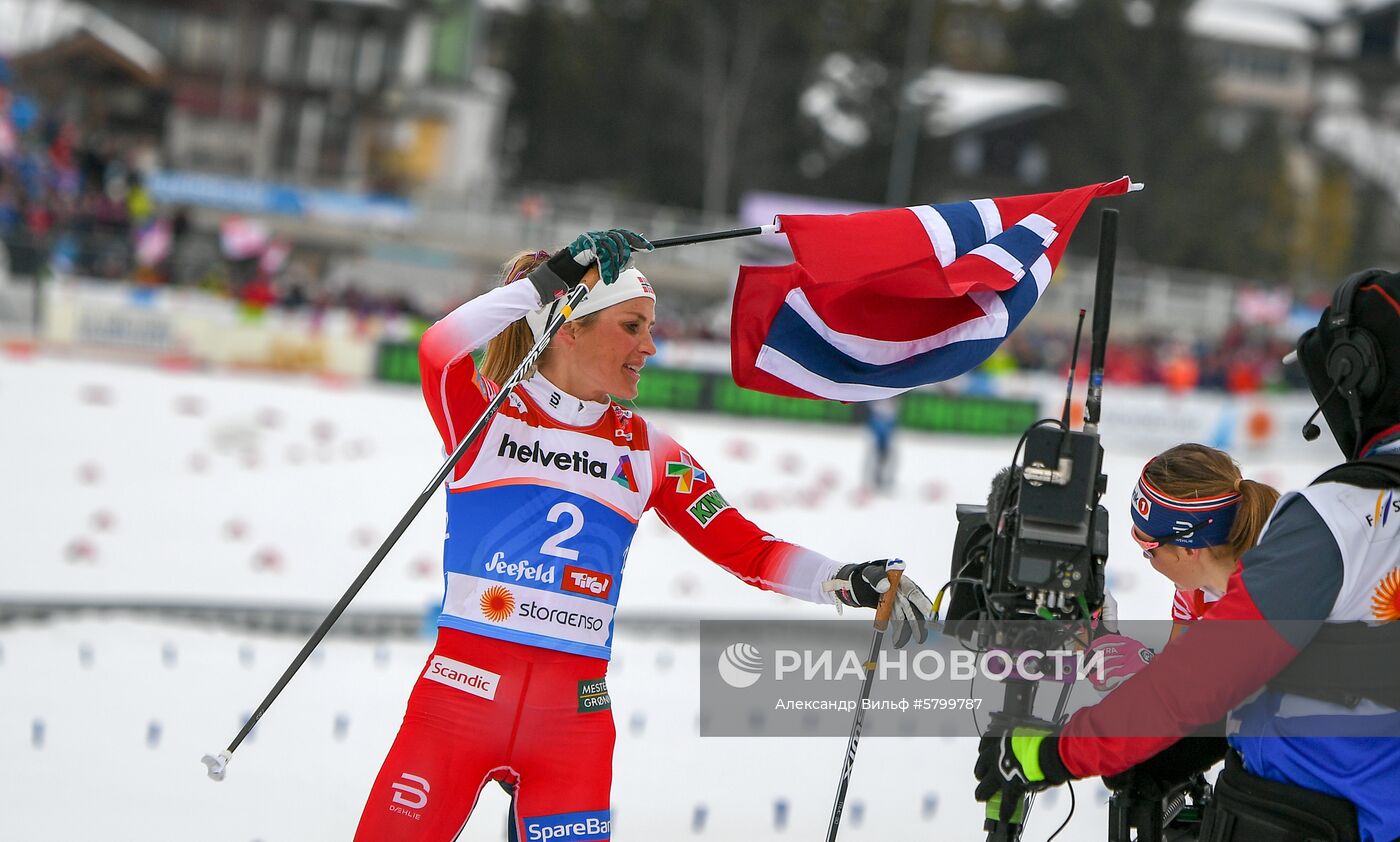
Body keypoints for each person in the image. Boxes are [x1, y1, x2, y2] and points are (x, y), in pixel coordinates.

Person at [354, 230, 935, 841]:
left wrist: (844, 581)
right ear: (570, 327)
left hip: (571, 724)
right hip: (456, 704)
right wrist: (550, 278)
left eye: (650, 328)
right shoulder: (488, 416)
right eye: (632, 326)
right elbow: (438, 348)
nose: (650, 346)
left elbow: (749, 550)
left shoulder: (651, 452)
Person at [975, 268, 1400, 842]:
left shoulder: (1342, 515)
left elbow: (1198, 680)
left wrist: (1052, 754)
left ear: (1357, 372)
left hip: (1315, 815)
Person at [1086, 444, 1280, 692]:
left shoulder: (1275, 596)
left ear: (1189, 549)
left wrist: (1147, 667)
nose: (1145, 557)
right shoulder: (1194, 592)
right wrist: (1107, 643)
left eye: (1148, 547)